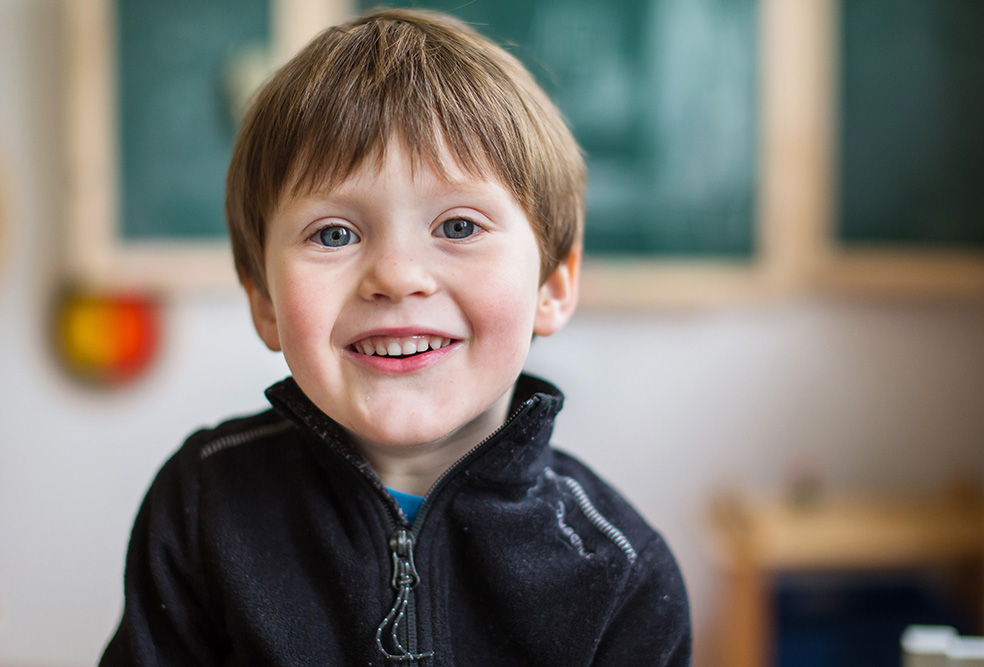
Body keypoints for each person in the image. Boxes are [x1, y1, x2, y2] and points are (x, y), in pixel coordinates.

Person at [100, 8, 691, 666]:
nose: (397, 276)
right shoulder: (201, 506)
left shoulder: (621, 573)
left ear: (552, 283)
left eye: (459, 226)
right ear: (263, 299)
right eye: (334, 234)